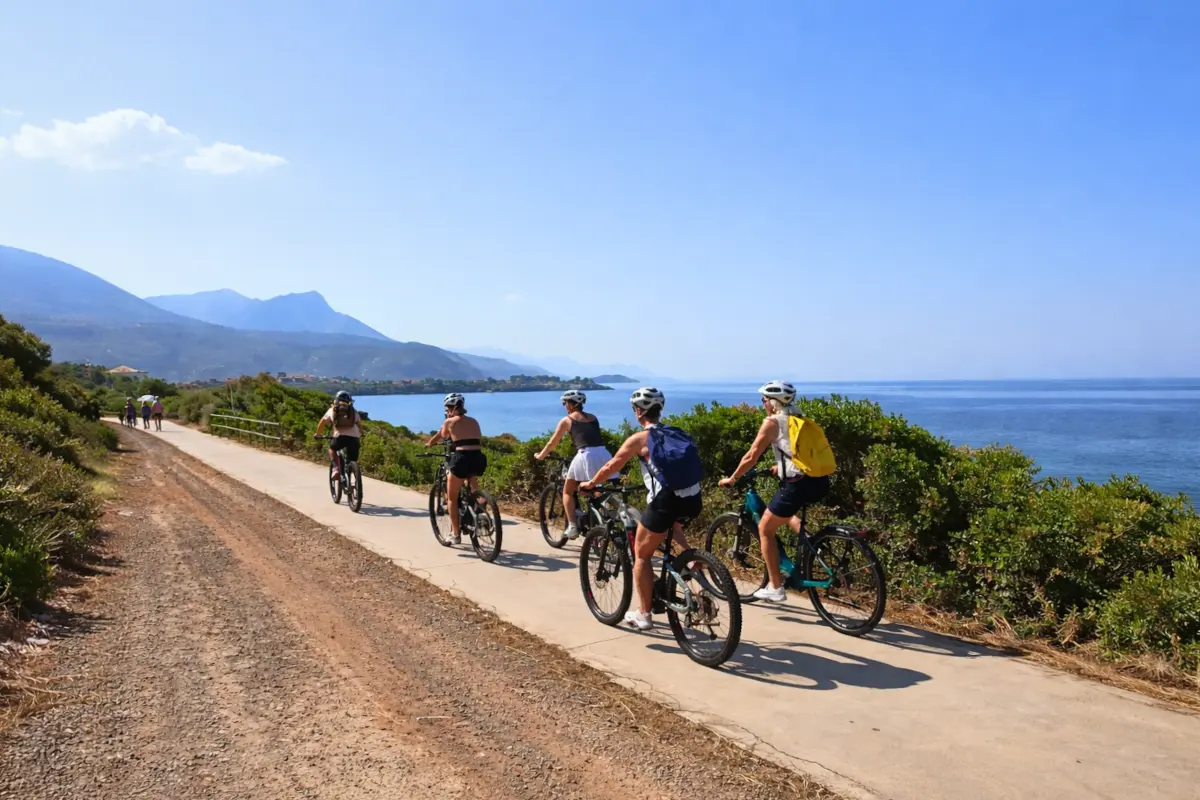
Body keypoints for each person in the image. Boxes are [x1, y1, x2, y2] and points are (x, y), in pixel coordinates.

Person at [582, 387, 701, 631]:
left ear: (638, 411)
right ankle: (692, 561)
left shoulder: (639, 439)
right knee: (673, 524)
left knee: (641, 555)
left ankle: (644, 614)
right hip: (693, 498)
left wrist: (591, 483)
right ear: (660, 410)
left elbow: (613, 465)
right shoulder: (676, 432)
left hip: (666, 501)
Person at [719, 380, 833, 603]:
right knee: (784, 512)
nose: (763, 403)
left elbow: (751, 456)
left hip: (797, 485)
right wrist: (779, 467)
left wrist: (733, 478)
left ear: (772, 402)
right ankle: (812, 544)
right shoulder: (798, 418)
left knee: (764, 528)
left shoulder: (772, 422)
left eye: (763, 400)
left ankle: (775, 586)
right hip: (819, 481)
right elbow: (797, 452)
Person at [534, 390, 614, 539]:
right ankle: (600, 520)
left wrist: (541, 455)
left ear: (571, 404)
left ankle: (572, 527)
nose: (565, 406)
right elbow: (589, 437)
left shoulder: (567, 420)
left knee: (568, 491)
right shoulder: (593, 418)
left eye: (565, 403)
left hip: (586, 456)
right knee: (598, 490)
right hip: (604, 455)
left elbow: (553, 442)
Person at [425, 393, 487, 545]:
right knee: (472, 485)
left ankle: (456, 534)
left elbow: (444, 435)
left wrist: (429, 443)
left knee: (452, 498)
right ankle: (480, 510)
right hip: (479, 459)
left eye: (446, 408)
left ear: (450, 408)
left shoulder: (449, 421)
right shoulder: (474, 421)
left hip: (461, 459)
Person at [314, 390, 362, 479]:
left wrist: (318, 434)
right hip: (354, 438)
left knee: (332, 449)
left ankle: (336, 469)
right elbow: (359, 425)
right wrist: (360, 434)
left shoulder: (333, 409)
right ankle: (355, 478)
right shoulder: (352, 410)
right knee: (352, 460)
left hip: (339, 437)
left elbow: (322, 423)